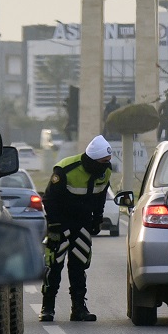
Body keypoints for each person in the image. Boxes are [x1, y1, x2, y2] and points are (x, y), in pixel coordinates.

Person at [39, 134, 113, 322]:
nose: (107, 165)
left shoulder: (106, 172)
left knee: (79, 266)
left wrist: (97, 219)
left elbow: (100, 197)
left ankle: (79, 308)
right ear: (93, 160)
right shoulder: (65, 169)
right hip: (60, 223)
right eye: (104, 161)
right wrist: (54, 224)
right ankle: (47, 308)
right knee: (54, 265)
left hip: (82, 224)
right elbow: (48, 199)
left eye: (108, 161)